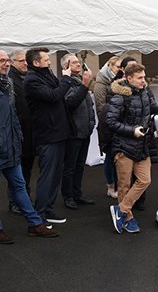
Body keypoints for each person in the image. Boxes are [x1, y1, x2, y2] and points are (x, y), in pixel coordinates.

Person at [25, 47, 91, 225]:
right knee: (48, 175)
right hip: (48, 134)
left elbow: (59, 94)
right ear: (36, 62)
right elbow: (55, 96)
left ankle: (48, 209)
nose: (48, 61)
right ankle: (39, 214)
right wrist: (66, 78)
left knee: (55, 174)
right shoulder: (31, 80)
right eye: (46, 59)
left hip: (59, 131)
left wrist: (64, 79)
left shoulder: (47, 74)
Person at [0, 50, 59, 243]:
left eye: (7, 60)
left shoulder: (7, 85)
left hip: (10, 147)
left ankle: (34, 224)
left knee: (19, 185)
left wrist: (17, 138)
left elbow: (13, 116)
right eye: (1, 61)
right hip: (3, 145)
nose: (5, 64)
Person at [107, 63, 158, 234]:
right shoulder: (119, 96)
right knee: (124, 186)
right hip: (123, 147)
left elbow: (155, 108)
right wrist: (132, 131)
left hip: (141, 146)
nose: (143, 81)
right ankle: (128, 218)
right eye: (140, 78)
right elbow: (110, 121)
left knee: (145, 180)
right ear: (129, 78)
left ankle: (120, 210)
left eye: (144, 77)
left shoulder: (144, 92)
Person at [60, 54, 96, 209]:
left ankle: (77, 194)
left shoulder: (80, 80)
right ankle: (68, 196)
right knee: (70, 166)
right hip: (74, 131)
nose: (78, 64)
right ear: (65, 66)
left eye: (78, 62)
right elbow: (70, 103)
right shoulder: (65, 82)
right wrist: (85, 85)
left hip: (85, 130)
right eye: (74, 62)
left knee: (80, 165)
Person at [6, 50, 33, 215]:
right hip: (16, 131)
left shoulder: (26, 78)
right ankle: (14, 201)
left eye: (26, 61)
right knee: (16, 169)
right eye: (21, 61)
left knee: (27, 167)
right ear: (13, 62)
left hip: (29, 131)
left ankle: (24, 198)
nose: (25, 63)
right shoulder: (10, 80)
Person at [93, 55, 122, 199]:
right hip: (107, 126)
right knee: (109, 157)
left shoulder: (115, 80)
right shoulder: (101, 83)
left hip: (116, 124)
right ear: (110, 66)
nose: (120, 69)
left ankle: (116, 185)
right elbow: (100, 107)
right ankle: (110, 186)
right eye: (117, 67)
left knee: (115, 157)